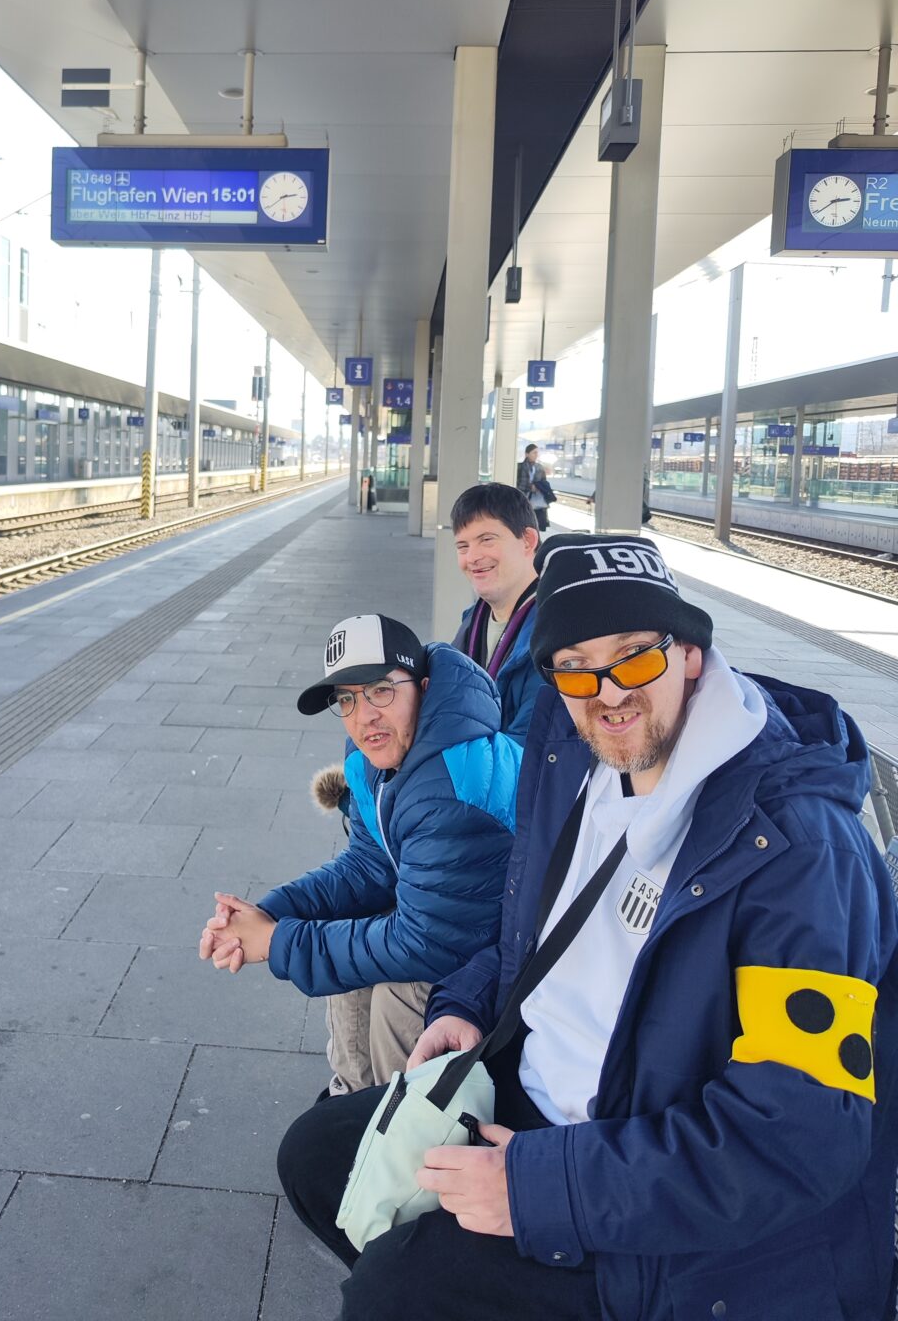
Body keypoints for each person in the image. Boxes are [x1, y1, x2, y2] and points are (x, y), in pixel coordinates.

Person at [278, 533, 897, 1321]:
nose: (607, 692)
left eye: (634, 656)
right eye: (574, 666)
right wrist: (467, 1000)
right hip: (535, 1096)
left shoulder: (799, 848)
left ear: (693, 656)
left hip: (660, 1206)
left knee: (390, 1294)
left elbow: (804, 1134)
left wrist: (541, 1189)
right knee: (316, 1157)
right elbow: (527, 924)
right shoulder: (573, 760)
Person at [199, 613, 522, 1096]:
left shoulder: (451, 781)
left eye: (380, 690)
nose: (363, 715)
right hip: (449, 920)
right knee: (350, 967)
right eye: (346, 698)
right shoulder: (377, 754)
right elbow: (369, 866)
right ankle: (352, 1100)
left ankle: (406, 1131)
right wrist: (268, 912)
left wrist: (277, 941)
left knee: (400, 991)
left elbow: (427, 945)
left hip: (511, 945)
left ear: (423, 685)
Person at [450, 483, 544, 743]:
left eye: (487, 540)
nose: (472, 557)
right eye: (462, 546)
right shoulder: (471, 621)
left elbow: (527, 750)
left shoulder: (555, 637)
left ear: (528, 540)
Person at [515, 443, 549, 532]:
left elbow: (544, 482)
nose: (536, 455)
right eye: (534, 452)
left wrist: (539, 487)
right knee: (523, 523)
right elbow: (517, 483)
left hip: (537, 501)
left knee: (536, 524)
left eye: (537, 453)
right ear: (527, 454)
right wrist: (530, 487)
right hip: (523, 498)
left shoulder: (539, 467)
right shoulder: (519, 467)